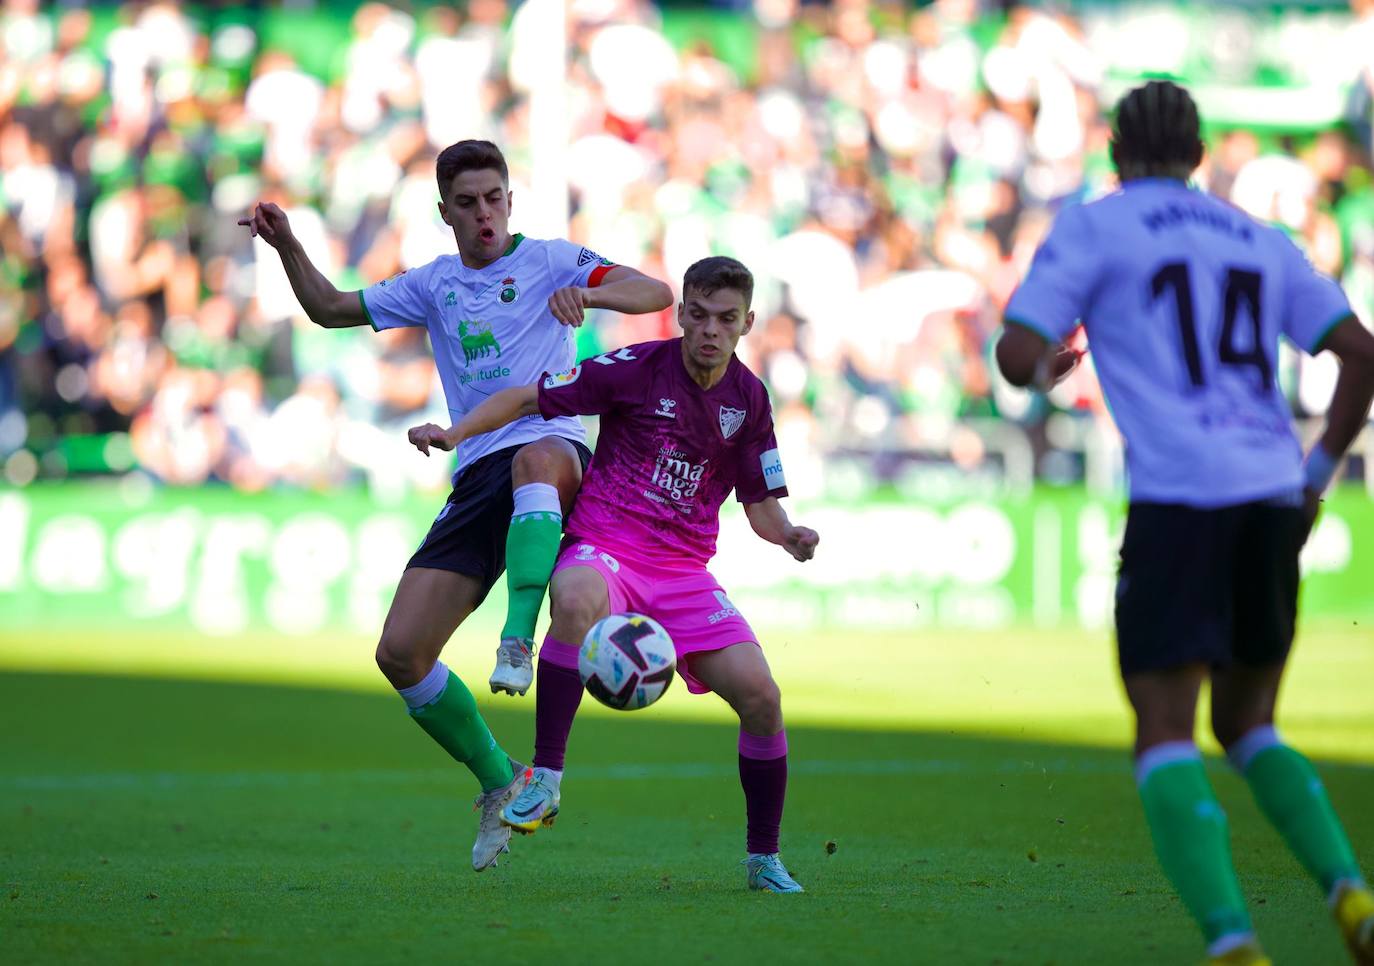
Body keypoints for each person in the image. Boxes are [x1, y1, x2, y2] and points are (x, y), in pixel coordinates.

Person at [996, 81, 1374, 966]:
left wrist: (1051, 363)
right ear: (1199, 154)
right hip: (1272, 492)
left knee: (1166, 730)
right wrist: (1316, 478)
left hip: (1179, 499)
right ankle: (1349, 891)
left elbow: (1017, 355)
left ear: (1117, 154)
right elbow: (1361, 354)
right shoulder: (1257, 236)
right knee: (1251, 725)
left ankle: (1233, 943)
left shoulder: (1097, 227)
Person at [238, 140, 673, 871]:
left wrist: (589, 294)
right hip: (477, 470)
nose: (484, 215)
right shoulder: (434, 284)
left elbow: (655, 293)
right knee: (400, 653)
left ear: (510, 201)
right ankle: (503, 783)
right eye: (467, 204)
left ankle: (516, 640)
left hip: (554, 448)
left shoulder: (552, 261)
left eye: (494, 198)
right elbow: (327, 308)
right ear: (445, 213)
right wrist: (288, 247)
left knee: (536, 454)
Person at [407, 256, 819, 892]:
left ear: (747, 324)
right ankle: (545, 778)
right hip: (605, 545)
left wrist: (788, 534)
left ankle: (763, 859)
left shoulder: (750, 400)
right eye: (699, 315)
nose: (710, 330)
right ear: (681, 313)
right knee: (572, 597)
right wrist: (456, 430)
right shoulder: (634, 369)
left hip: (683, 572)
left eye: (725, 320)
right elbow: (526, 397)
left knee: (763, 698)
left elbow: (761, 504)